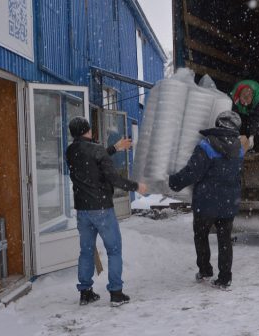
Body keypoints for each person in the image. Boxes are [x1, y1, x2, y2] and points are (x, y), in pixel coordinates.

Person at [66, 116, 148, 306]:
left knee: (86, 251)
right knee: (114, 250)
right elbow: (113, 178)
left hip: (83, 210)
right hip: (101, 208)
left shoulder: (70, 151)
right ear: (88, 131)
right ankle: (116, 293)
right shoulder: (96, 151)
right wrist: (136, 186)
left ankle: (85, 292)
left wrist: (115, 148)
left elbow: (92, 160)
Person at [168, 111, 244, 290]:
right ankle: (225, 278)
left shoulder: (207, 144)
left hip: (206, 202)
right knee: (225, 239)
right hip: (228, 201)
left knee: (201, 236)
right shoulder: (239, 147)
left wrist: (174, 182)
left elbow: (192, 172)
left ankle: (205, 270)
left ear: (219, 124)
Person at [230, 80, 259, 152]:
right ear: (239, 96)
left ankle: (254, 147)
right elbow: (233, 114)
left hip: (253, 110)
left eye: (247, 103)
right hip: (238, 109)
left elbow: (257, 118)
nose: (245, 105)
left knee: (253, 125)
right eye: (243, 102)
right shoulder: (233, 94)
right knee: (237, 121)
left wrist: (252, 135)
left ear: (252, 98)